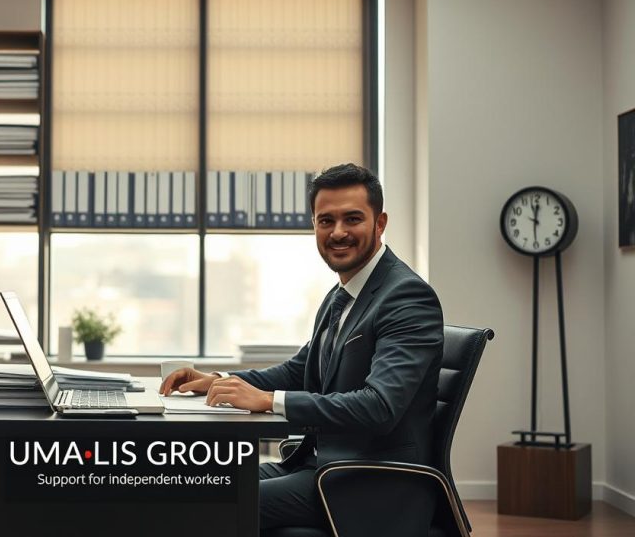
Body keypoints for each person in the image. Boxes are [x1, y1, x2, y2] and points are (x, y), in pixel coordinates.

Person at [160, 163, 444, 531]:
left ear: (380, 223)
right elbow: (299, 371)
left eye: (352, 219)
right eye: (326, 221)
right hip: (319, 465)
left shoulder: (406, 296)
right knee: (191, 484)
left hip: (370, 483)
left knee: (215, 502)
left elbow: (380, 407)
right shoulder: (343, 294)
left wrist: (268, 401)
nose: (337, 232)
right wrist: (219, 380)